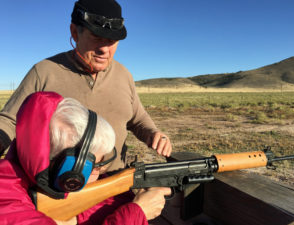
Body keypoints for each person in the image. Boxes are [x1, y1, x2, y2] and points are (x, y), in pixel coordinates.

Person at [0, 0, 172, 171]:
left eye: (112, 40)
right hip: (59, 187)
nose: (105, 49)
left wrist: (154, 134)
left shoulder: (124, 75)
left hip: (115, 183)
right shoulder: (45, 71)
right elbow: (10, 120)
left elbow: (138, 119)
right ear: (75, 33)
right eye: (97, 38)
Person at [0, 91, 171, 225]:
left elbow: (90, 202)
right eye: (95, 166)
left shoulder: (21, 175)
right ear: (69, 172)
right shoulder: (10, 210)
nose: (101, 172)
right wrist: (137, 213)